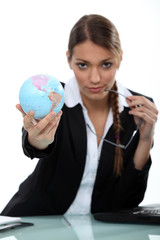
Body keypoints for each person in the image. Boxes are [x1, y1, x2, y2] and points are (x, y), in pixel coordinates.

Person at [1, 14, 158, 217]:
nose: (95, 78)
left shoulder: (138, 110)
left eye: (106, 64)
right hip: (36, 223)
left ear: (119, 58)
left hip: (96, 230)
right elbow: (36, 146)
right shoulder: (53, 99)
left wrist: (145, 139)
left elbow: (130, 199)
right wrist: (38, 139)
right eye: (83, 65)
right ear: (69, 60)